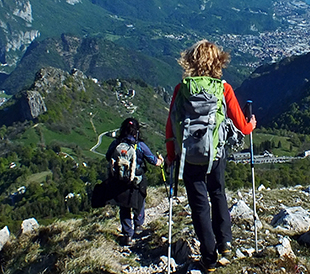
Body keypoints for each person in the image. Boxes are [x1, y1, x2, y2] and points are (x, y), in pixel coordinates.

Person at [165, 40, 256, 272]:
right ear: (218, 61)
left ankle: (209, 258)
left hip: (188, 156)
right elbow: (242, 126)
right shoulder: (223, 88)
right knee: (217, 193)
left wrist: (171, 154)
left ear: (191, 60)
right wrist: (251, 124)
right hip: (215, 153)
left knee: (198, 205)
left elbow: (170, 124)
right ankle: (224, 243)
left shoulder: (181, 88)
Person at [105, 118, 163, 246]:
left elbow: (108, 156)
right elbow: (154, 161)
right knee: (139, 201)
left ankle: (127, 234)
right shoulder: (140, 145)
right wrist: (161, 160)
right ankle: (138, 226)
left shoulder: (116, 143)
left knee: (124, 206)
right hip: (137, 180)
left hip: (120, 181)